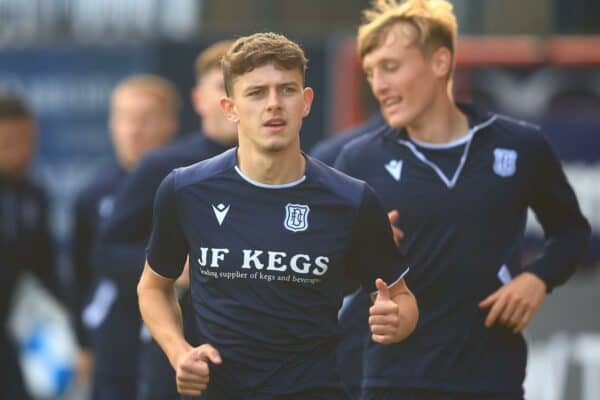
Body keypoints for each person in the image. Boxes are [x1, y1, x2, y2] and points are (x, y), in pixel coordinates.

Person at [137, 32, 418, 399]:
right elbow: (153, 288)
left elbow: (401, 297)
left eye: (286, 90)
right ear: (230, 108)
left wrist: (397, 320)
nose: (273, 104)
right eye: (256, 93)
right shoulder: (185, 190)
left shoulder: (352, 199)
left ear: (305, 102)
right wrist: (180, 353)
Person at [333, 1, 592, 399]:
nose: (378, 85)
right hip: (391, 381)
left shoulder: (520, 146)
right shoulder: (359, 158)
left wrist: (537, 278)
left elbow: (571, 231)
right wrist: (364, 250)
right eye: (370, 73)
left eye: (390, 67)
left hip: (491, 380)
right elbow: (331, 271)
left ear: (440, 62)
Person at [92, 40, 237, 400]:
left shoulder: (284, 170)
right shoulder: (163, 166)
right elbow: (107, 251)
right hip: (176, 349)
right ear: (201, 100)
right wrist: (169, 269)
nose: (233, 99)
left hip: (258, 351)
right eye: (223, 87)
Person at [74, 75, 180, 400]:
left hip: (177, 332)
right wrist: (83, 342)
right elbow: (83, 272)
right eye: (125, 118)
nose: (134, 130)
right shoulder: (94, 193)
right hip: (114, 335)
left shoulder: (189, 184)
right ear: (111, 125)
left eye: (146, 119)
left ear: (170, 124)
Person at [0, 93, 59, 399]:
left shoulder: (33, 196)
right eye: (9, 142)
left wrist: (79, 329)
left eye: (28, 141)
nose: (21, 151)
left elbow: (45, 268)